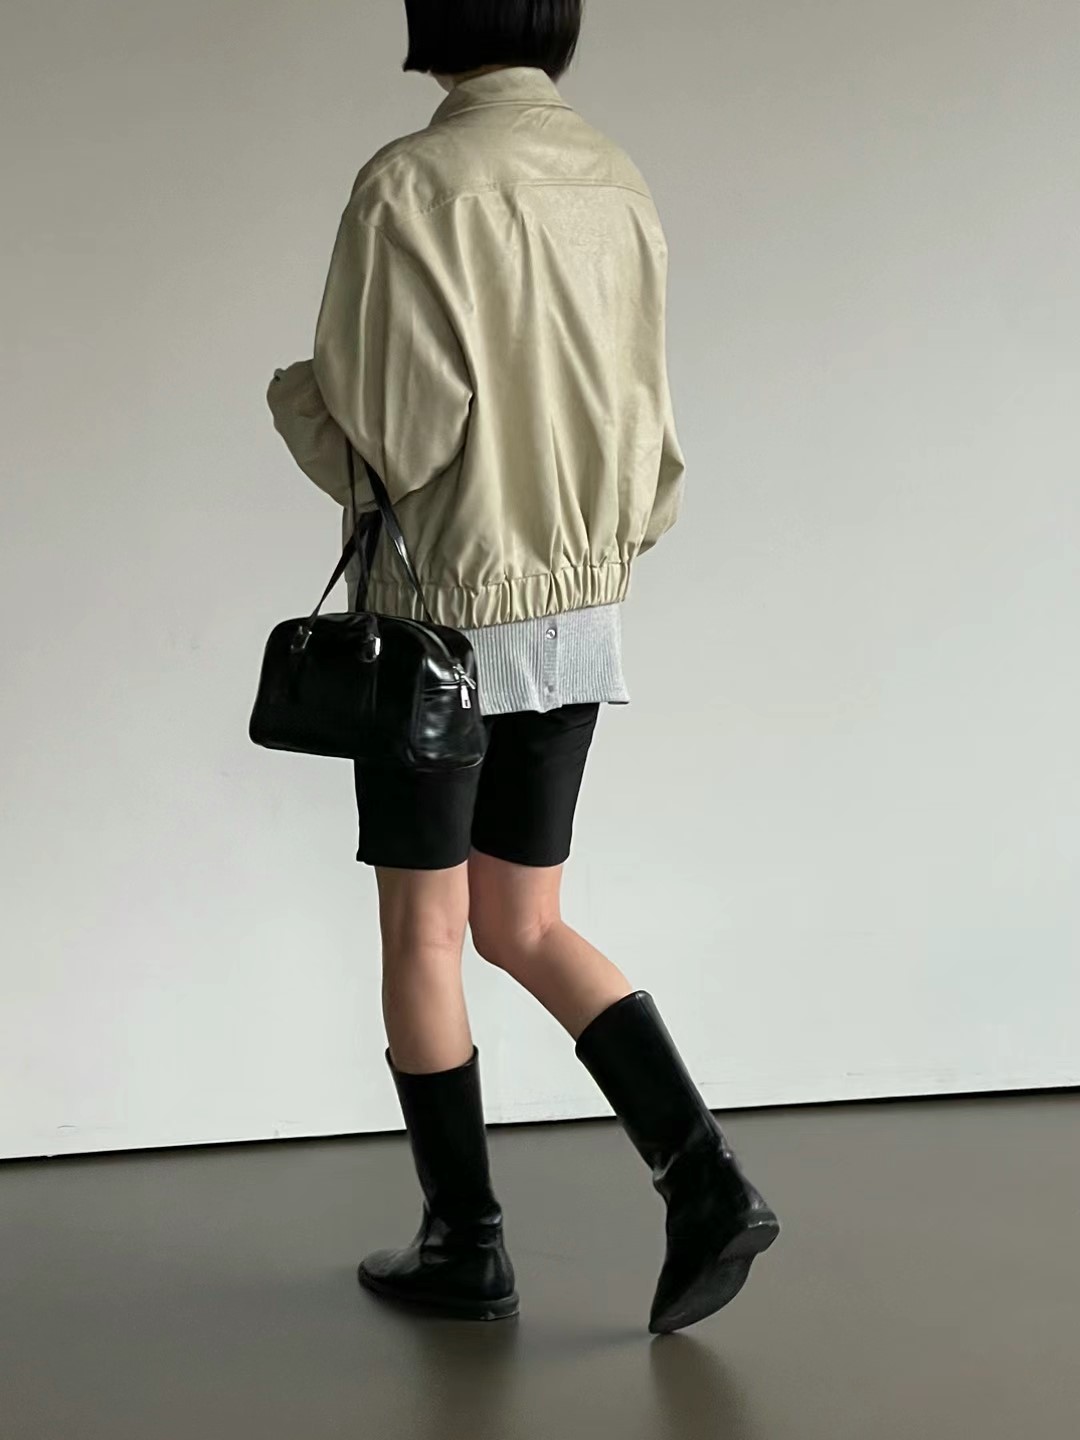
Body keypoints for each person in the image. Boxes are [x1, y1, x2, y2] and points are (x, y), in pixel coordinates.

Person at [267, 0, 779, 1336]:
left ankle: (466, 1245)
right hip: (578, 612)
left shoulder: (409, 185)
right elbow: (648, 421)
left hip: (443, 623)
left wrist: (293, 401)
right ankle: (707, 1182)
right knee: (525, 922)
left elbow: (392, 438)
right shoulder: (617, 178)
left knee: (427, 928)